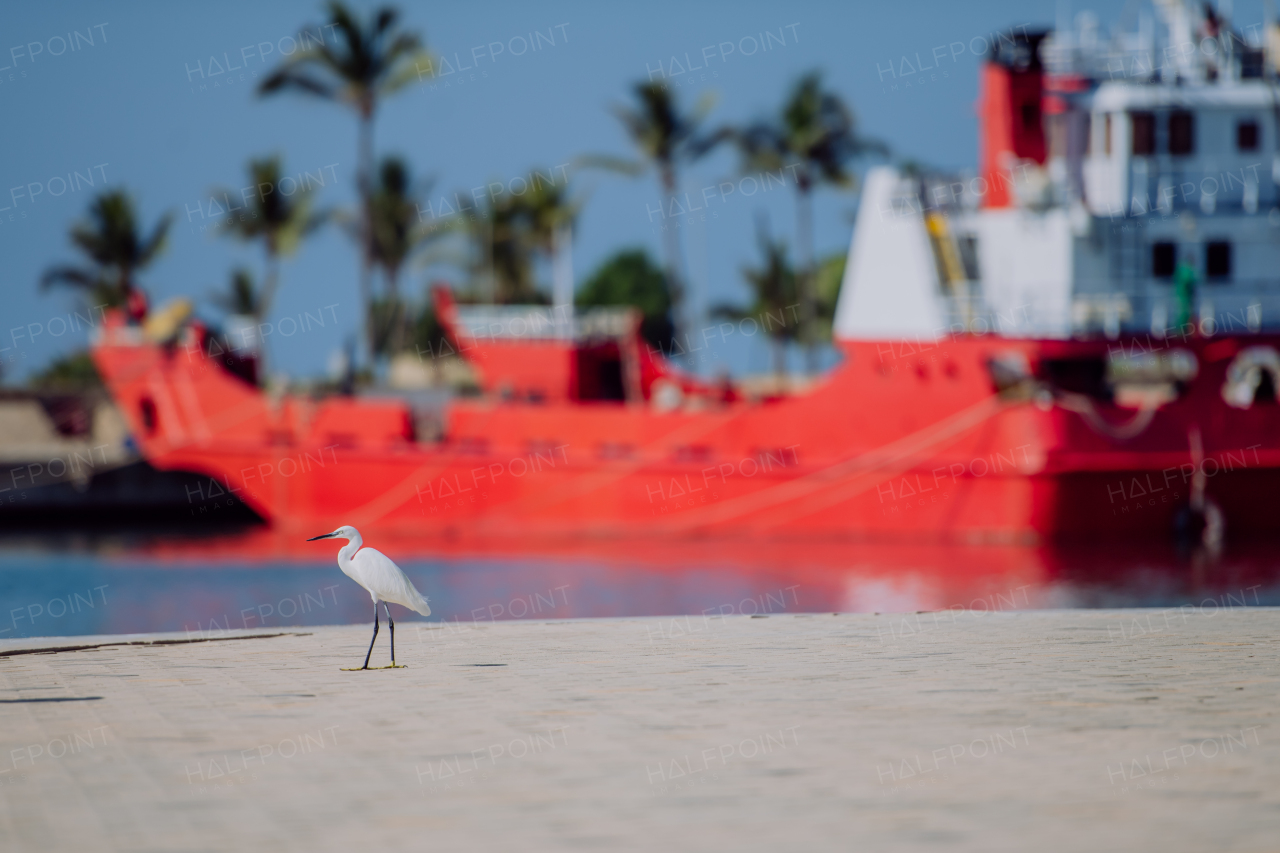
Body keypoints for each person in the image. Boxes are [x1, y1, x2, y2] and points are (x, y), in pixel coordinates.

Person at [1173, 252, 1198, 332]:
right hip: (1184, 296)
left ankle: (1183, 330)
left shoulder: (1182, 269)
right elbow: (1187, 281)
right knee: (1184, 314)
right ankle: (1181, 331)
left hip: (1184, 296)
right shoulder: (1187, 270)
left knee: (1184, 313)